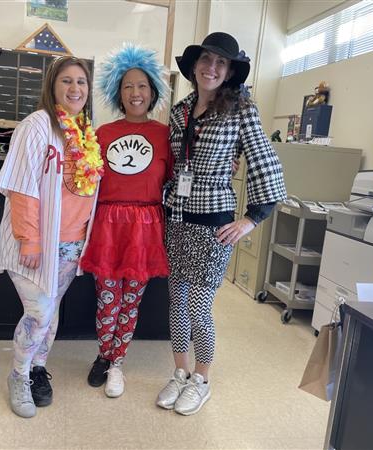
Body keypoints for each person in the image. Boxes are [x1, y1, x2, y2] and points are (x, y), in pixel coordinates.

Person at [156, 32, 287, 415]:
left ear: (229, 71)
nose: (211, 68)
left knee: (199, 306)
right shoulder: (180, 110)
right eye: (206, 59)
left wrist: (252, 218)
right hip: (177, 220)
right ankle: (179, 373)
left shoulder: (242, 108)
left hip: (214, 225)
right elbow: (175, 163)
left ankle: (201, 379)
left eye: (221, 62)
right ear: (195, 65)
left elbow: (265, 162)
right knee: (176, 304)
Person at [0, 56, 104, 418]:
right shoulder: (38, 124)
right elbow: (22, 185)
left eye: (82, 82)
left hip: (72, 244)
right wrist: (30, 238)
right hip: (37, 243)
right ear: (52, 86)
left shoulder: (86, 132)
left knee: (50, 312)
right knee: (39, 313)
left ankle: (38, 369)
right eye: (67, 81)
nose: (75, 89)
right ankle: (18, 376)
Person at [80, 44, 172, 398]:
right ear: (118, 92)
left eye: (142, 86)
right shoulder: (102, 133)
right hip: (107, 224)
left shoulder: (165, 135)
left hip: (145, 227)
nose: (136, 93)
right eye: (128, 86)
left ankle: (117, 362)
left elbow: (178, 179)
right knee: (107, 299)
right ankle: (105, 355)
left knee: (131, 301)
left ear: (153, 92)